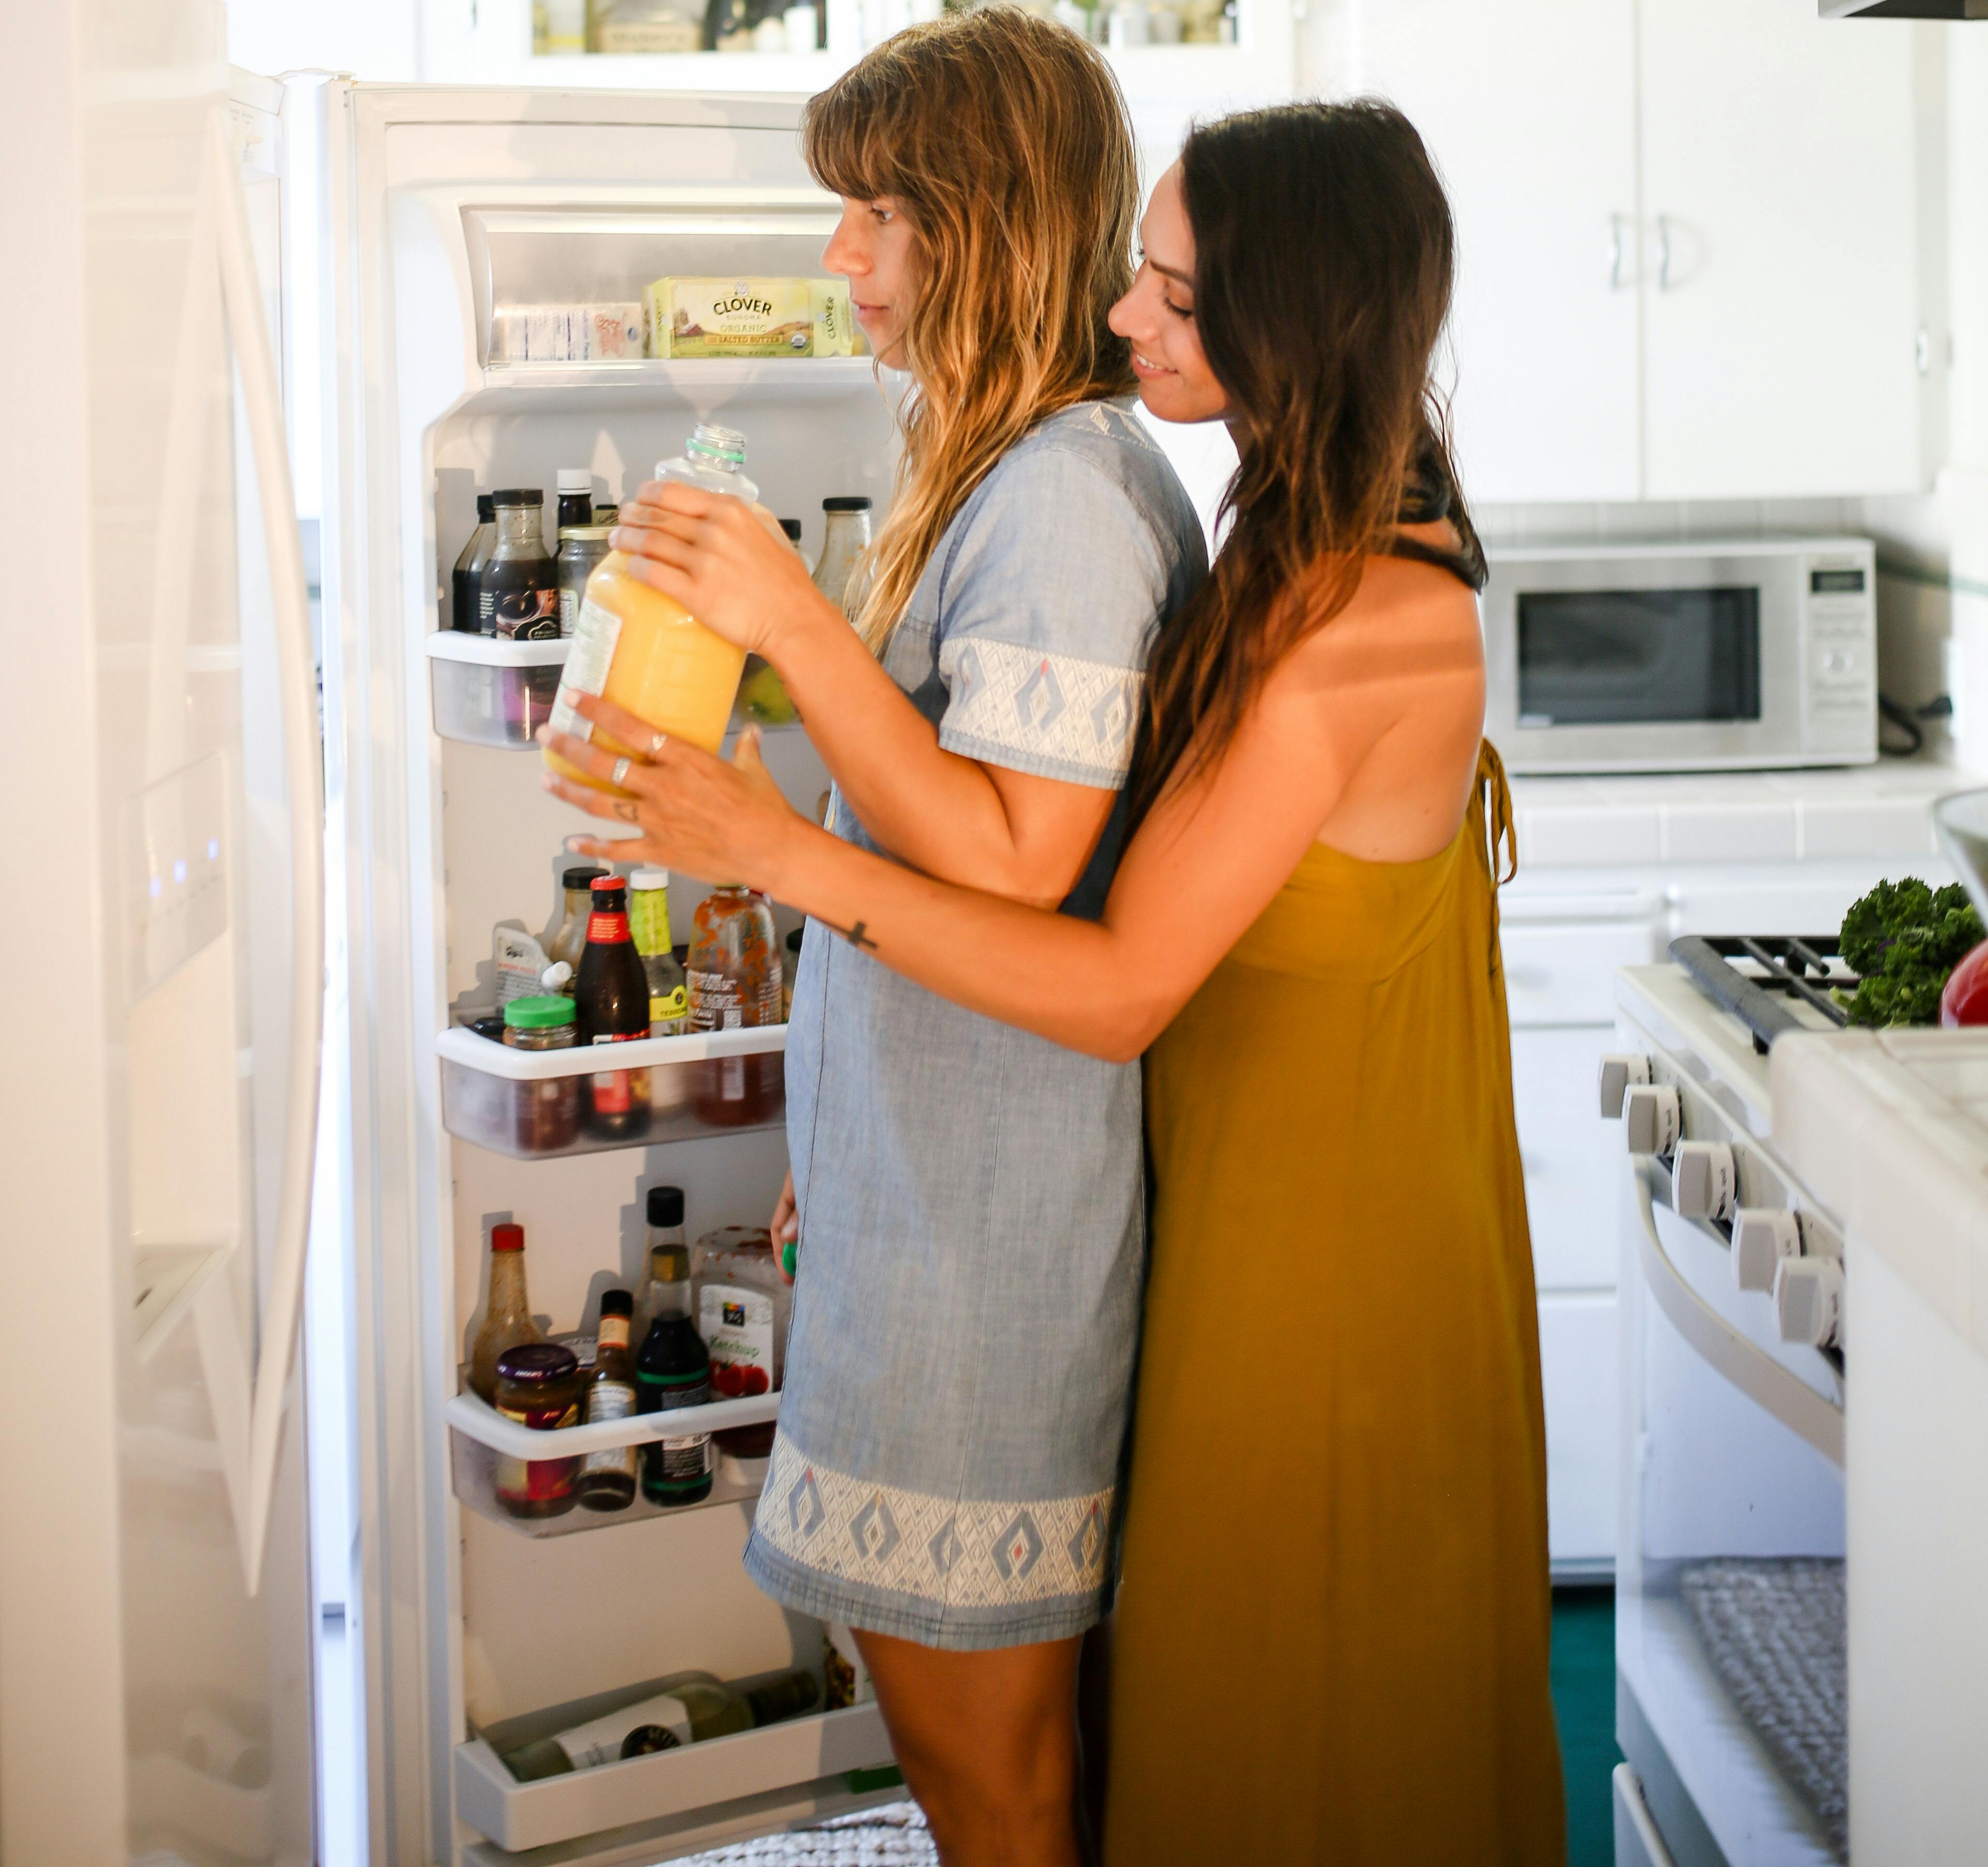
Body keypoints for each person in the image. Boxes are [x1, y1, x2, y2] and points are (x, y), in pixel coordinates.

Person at [552, 95, 1565, 1867]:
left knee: (1303, 1701)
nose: (1128, 318)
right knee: (1196, 1718)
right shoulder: (1280, 541)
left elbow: (1107, 978)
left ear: (1291, 318)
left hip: (1333, 1246)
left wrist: (782, 845)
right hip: (1229, 1194)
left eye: (1174, 296)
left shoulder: (1366, 620)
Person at [571, 6, 1204, 1867]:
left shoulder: (1071, 499)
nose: (838, 254)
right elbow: (936, 796)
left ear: (981, 222)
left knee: (987, 1774)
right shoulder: (1003, 469)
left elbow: (1017, 860)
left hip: (988, 1241)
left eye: (873, 211)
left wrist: (772, 758)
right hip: (921, 1193)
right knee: (951, 1754)